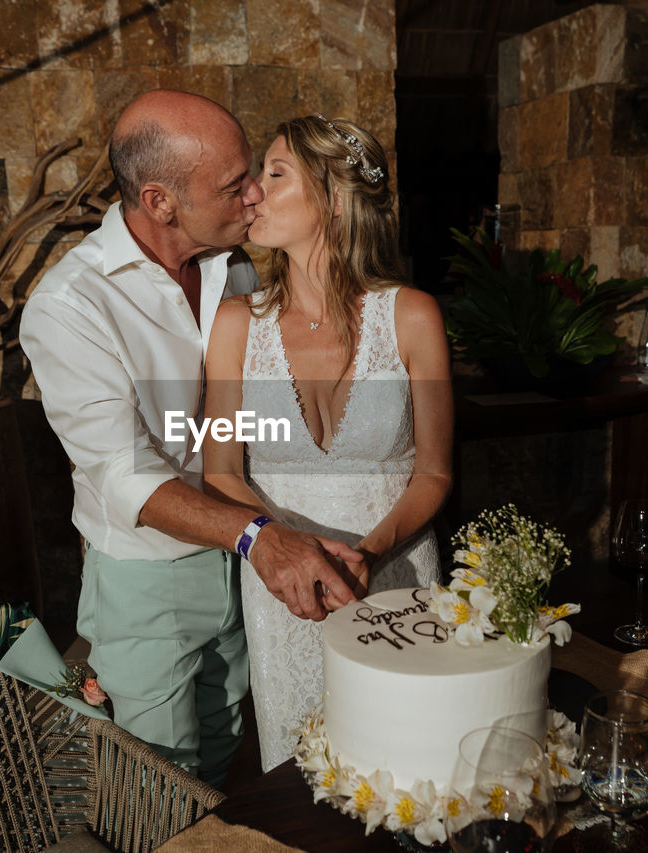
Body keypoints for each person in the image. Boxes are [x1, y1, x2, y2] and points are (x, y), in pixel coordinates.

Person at [19, 91, 362, 787]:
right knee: (157, 785)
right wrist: (259, 536)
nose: (253, 197)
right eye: (233, 184)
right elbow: (124, 475)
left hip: (239, 562)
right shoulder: (70, 306)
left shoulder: (229, 264)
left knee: (223, 751)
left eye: (256, 174)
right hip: (148, 577)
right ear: (160, 200)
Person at [202, 115, 454, 769]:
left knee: (410, 769)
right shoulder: (234, 324)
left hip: (394, 577)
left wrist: (368, 553)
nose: (252, 190)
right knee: (302, 778)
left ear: (335, 197)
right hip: (283, 595)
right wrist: (285, 546)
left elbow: (433, 474)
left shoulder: (414, 315)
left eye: (275, 173)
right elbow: (221, 469)